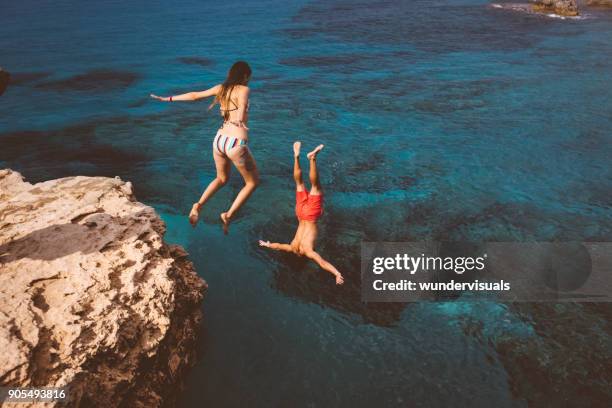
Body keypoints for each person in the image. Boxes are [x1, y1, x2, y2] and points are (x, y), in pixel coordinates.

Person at [151, 61, 259, 234]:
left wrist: (168, 98)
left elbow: (194, 95)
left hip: (219, 140)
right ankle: (228, 215)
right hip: (235, 143)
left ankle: (198, 205)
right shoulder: (244, 89)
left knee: (221, 178)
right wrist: (240, 119)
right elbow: (242, 104)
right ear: (245, 76)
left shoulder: (220, 88)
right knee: (252, 182)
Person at [259, 142, 344, 285]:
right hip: (299, 213)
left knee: (316, 186)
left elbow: (322, 263)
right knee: (299, 184)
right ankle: (296, 157)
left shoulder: (308, 251)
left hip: (311, 216)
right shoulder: (291, 247)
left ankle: (312, 159)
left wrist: (336, 273)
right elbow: (278, 245)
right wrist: (267, 244)